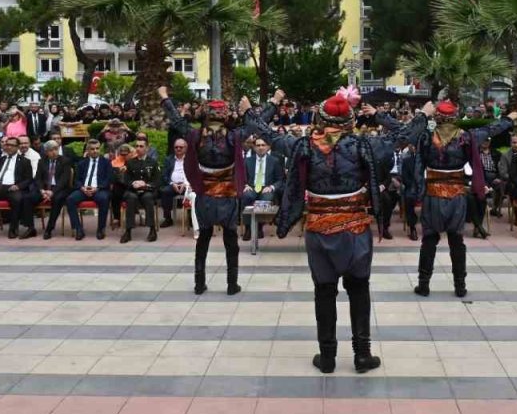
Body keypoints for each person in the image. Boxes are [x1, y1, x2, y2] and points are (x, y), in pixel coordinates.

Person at [250, 88, 390, 374]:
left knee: (324, 291)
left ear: (318, 118)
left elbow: (259, 127)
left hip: (319, 228)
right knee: (359, 289)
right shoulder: (365, 145)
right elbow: (408, 133)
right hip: (355, 228)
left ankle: (327, 358)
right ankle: (362, 355)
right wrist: (380, 116)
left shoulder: (303, 146)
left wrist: (274, 102)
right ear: (350, 120)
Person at [381, 99, 517, 297]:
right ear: (455, 117)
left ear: (437, 117)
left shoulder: (425, 137)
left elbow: (402, 129)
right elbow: (490, 130)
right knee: (456, 240)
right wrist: (508, 119)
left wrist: (380, 117)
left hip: (433, 194)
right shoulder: (467, 137)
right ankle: (460, 286)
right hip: (457, 195)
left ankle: (424, 284)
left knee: (429, 239)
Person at [161, 86, 249, 296]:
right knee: (230, 241)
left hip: (205, 193)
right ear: (226, 116)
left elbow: (177, 121)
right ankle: (231, 284)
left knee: (203, 239)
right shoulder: (235, 136)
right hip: (227, 194)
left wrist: (165, 98)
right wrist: (253, 109)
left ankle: (199, 284)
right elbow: (258, 126)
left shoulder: (195, 135)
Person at [0, 136, 36, 239]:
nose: (8, 147)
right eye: (7, 145)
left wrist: (18, 186)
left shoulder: (24, 161)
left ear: (17, 147)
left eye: (11, 145)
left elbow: (28, 179)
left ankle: (13, 228)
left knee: (17, 200)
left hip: (13, 188)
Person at [240, 136, 284, 241]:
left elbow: (281, 180)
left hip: (266, 187)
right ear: (254, 147)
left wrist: (272, 187)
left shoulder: (275, 161)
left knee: (266, 197)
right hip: (252, 186)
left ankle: (259, 227)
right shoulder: (247, 160)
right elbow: (241, 177)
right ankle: (248, 228)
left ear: (268, 147)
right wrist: (244, 185)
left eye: (263, 145)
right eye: (258, 145)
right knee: (246, 196)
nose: (260, 147)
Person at [67, 139, 112, 240]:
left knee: (104, 199)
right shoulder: (82, 163)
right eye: (92, 149)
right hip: (84, 189)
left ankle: (101, 229)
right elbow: (77, 179)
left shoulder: (106, 162)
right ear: (88, 150)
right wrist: (82, 188)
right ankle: (78, 229)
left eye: (97, 148)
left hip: (99, 189)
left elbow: (109, 179)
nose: (95, 151)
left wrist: (97, 188)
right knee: (70, 199)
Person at [120, 138, 160, 243]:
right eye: (136, 146)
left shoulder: (153, 162)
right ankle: (128, 231)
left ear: (147, 148)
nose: (138, 148)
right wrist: (133, 183)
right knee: (130, 198)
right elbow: (126, 179)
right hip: (133, 190)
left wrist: (145, 184)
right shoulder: (130, 162)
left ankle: (152, 230)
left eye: (141, 146)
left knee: (148, 198)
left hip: (147, 190)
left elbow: (157, 181)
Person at [466, 136, 505, 238]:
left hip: (480, 183)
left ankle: (477, 227)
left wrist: (485, 185)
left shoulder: (491, 156)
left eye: (487, 140)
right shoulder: (464, 158)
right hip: (464, 186)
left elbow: (482, 175)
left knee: (481, 198)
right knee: (470, 197)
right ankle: (478, 226)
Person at [35, 141, 74, 240]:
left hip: (60, 188)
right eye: (51, 150)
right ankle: (30, 228)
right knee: (28, 197)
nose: (54, 152)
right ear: (46, 152)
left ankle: (49, 229)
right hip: (45, 189)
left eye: (56, 149)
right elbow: (38, 178)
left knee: (57, 199)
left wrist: (52, 192)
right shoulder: (42, 161)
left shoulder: (65, 161)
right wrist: (41, 190)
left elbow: (64, 180)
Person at [158, 139, 196, 232]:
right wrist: (172, 183)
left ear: (186, 148)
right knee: (165, 191)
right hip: (173, 184)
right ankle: (168, 218)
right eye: (176, 147)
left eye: (181, 147)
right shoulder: (169, 159)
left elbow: (194, 174)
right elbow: (164, 175)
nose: (178, 149)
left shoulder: (191, 159)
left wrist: (186, 183)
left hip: (187, 185)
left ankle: (191, 219)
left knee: (192, 194)